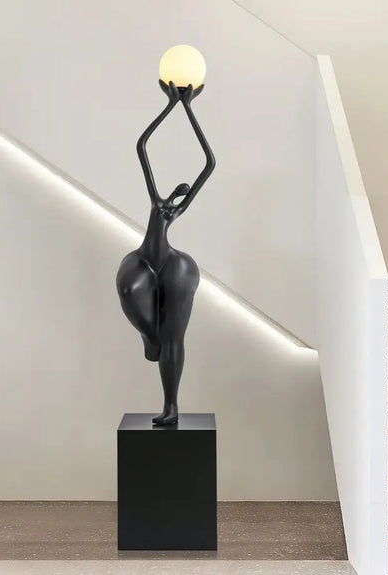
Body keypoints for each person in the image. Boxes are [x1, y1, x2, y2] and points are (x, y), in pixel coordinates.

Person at [116, 80, 216, 425]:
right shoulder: (157, 198)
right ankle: (150, 338)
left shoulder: (177, 208)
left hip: (172, 266)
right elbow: (142, 146)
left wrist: (189, 108)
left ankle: (171, 405)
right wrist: (171, 106)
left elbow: (209, 163)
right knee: (128, 288)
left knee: (175, 335)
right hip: (144, 259)